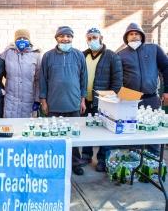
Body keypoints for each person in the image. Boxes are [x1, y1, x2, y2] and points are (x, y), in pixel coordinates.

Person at [39, 26, 87, 175]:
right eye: (62, 36)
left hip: (73, 104)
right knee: (54, 136)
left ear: (72, 38)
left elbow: (83, 79)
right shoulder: (48, 56)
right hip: (54, 104)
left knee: (73, 136)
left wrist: (82, 100)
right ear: (57, 38)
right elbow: (42, 80)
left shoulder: (79, 55)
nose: (65, 39)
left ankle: (75, 164)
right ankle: (54, 163)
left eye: (68, 36)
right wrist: (43, 100)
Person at [118, 23, 168, 156]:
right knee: (133, 132)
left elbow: (166, 68)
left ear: (142, 36)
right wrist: (122, 97)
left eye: (137, 33)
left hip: (151, 98)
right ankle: (134, 159)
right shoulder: (121, 55)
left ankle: (153, 160)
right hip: (130, 99)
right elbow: (118, 79)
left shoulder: (154, 49)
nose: (134, 36)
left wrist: (166, 90)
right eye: (131, 34)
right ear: (126, 37)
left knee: (153, 132)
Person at [81, 27, 123, 172]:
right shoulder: (82, 55)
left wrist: (107, 98)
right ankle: (86, 155)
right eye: (89, 38)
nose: (92, 40)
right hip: (85, 100)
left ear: (101, 38)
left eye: (95, 37)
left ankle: (103, 159)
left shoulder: (112, 56)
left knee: (104, 130)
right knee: (87, 128)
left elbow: (117, 82)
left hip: (104, 102)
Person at [1, 29, 42, 118]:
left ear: (29, 40)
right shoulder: (8, 53)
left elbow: (38, 80)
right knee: (10, 127)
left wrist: (37, 99)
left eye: (25, 38)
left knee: (27, 128)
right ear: (15, 40)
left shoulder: (36, 55)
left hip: (28, 100)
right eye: (19, 38)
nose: (22, 40)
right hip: (11, 101)